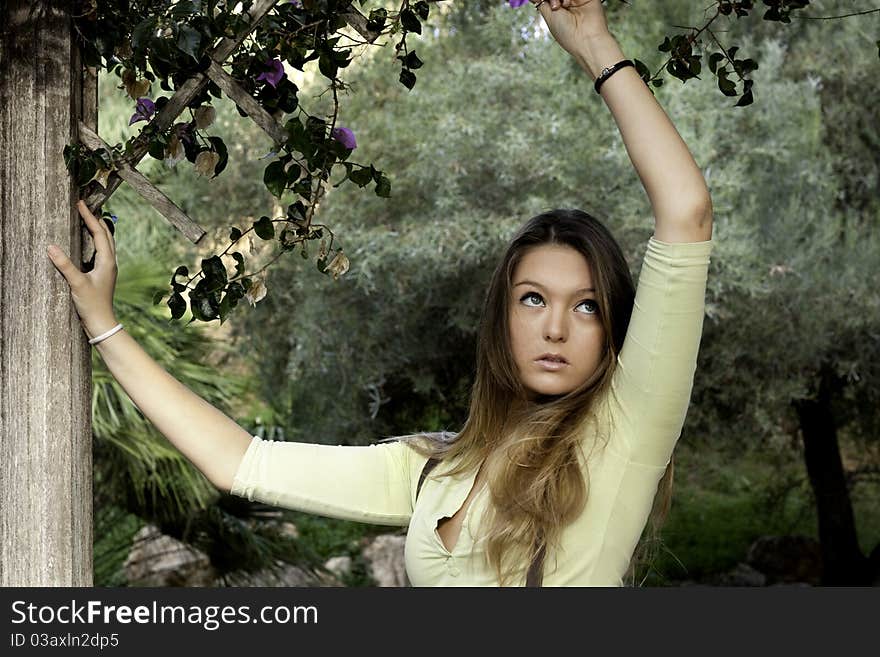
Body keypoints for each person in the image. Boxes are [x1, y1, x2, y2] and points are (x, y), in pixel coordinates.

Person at [47, 0, 713, 587]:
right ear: (502, 319)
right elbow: (240, 461)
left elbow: (686, 211)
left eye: (587, 305)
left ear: (612, 329)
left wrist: (594, 44)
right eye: (533, 299)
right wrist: (105, 323)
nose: (557, 327)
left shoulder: (626, 430)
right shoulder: (435, 470)